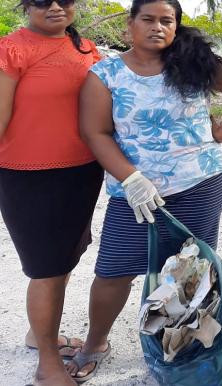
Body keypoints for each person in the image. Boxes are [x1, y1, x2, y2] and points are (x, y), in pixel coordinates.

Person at [64, 0, 222, 381]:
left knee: (189, 272)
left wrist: (221, 134)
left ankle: (182, 345)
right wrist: (131, 179)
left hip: (200, 185)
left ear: (176, 26)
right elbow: (96, 133)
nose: (157, 27)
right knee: (113, 272)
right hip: (136, 195)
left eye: (166, 21)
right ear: (131, 24)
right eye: (148, 19)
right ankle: (95, 343)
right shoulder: (105, 75)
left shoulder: (195, 63)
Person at [0, 0, 102, 384]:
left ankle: (36, 335)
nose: (56, 7)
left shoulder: (85, 48)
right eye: (43, 0)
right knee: (46, 269)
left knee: (64, 259)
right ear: (27, 6)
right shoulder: (11, 49)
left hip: (82, 173)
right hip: (28, 177)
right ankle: (47, 362)